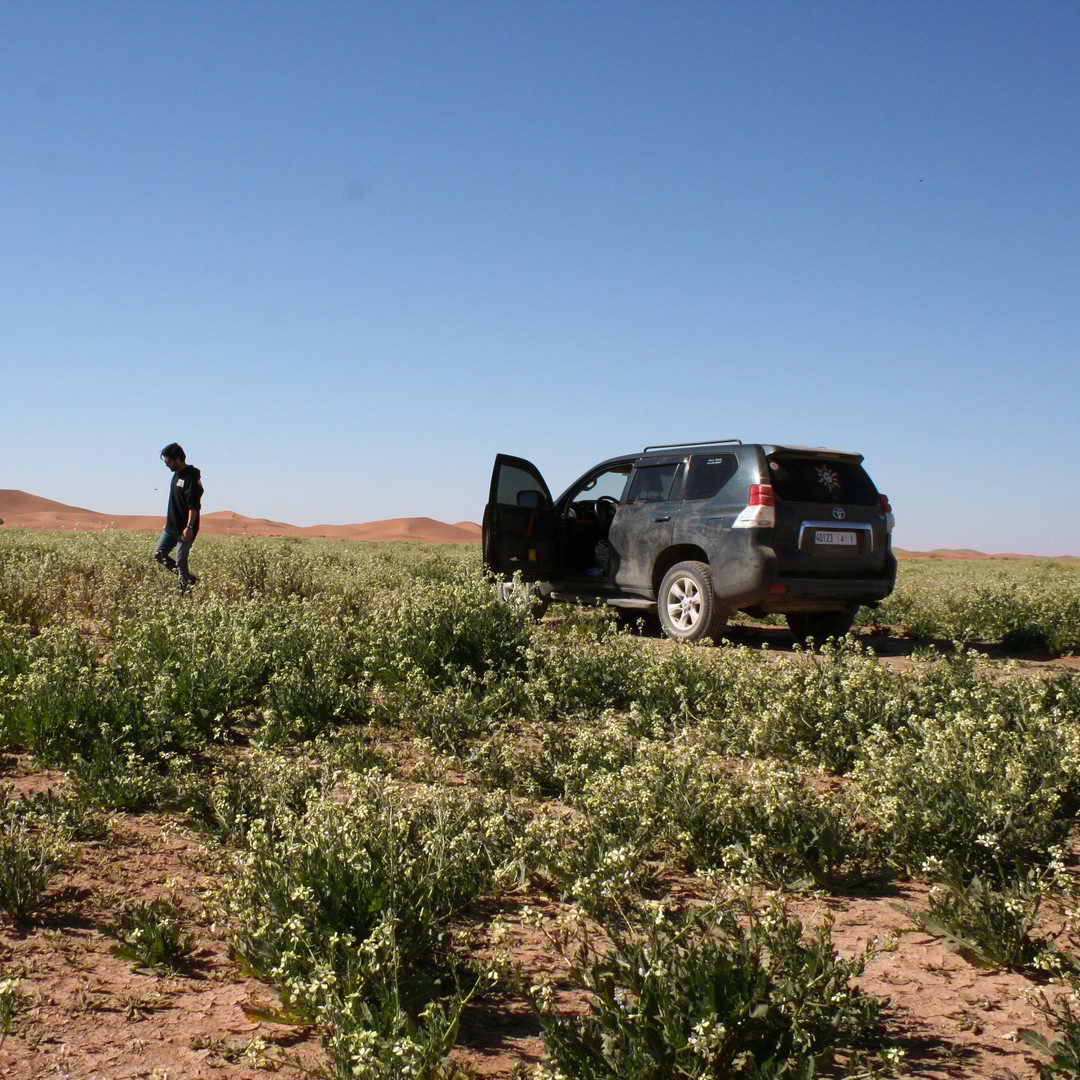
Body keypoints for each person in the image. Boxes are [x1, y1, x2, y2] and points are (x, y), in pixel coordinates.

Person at [154, 442, 203, 593]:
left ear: (177, 459)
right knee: (159, 555)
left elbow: (193, 506)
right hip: (170, 527)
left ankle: (181, 593)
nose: (166, 465)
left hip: (185, 529)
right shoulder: (176, 475)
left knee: (181, 561)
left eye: (168, 461)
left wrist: (189, 527)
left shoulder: (191, 476)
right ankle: (188, 578)